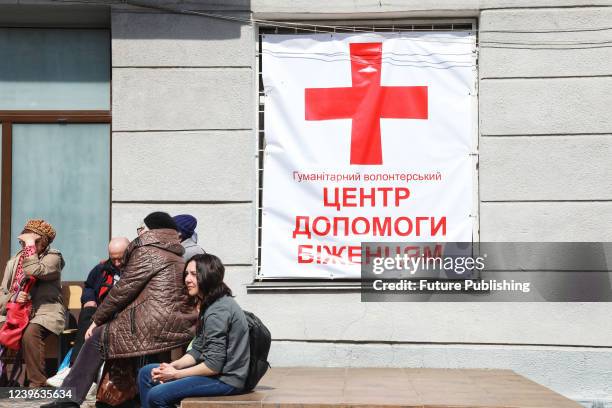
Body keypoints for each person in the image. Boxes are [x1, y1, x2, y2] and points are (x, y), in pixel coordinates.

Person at [41, 212, 196, 408]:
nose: (139, 233)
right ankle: (127, 398)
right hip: (172, 322)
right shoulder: (174, 252)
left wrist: (96, 320)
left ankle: (68, 400)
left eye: (141, 229)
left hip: (152, 322)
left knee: (98, 337)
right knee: (118, 336)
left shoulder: (148, 251)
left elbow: (123, 290)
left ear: (150, 230)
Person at [138, 253, 249, 408]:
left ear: (208, 276)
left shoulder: (218, 311)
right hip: (216, 374)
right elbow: (197, 349)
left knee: (157, 395)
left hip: (226, 380)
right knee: (147, 372)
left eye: (194, 275)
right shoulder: (210, 303)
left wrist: (176, 374)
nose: (187, 279)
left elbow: (213, 365)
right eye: (186, 274)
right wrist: (173, 366)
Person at [45, 237, 130, 387]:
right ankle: (73, 368)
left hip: (123, 313)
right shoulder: (102, 268)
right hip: (101, 311)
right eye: (113, 258)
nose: (116, 263)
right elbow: (89, 286)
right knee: (88, 312)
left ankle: (81, 373)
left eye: (120, 259)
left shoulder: (136, 268)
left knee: (97, 325)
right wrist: (89, 299)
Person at [0, 219, 65, 387]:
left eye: (31, 241)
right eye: (23, 241)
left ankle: (37, 383)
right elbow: (3, 292)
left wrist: (30, 244)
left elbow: (34, 269)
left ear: (42, 242)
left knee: (31, 333)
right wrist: (13, 298)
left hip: (44, 312)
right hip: (14, 311)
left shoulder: (53, 258)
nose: (24, 245)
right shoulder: (13, 261)